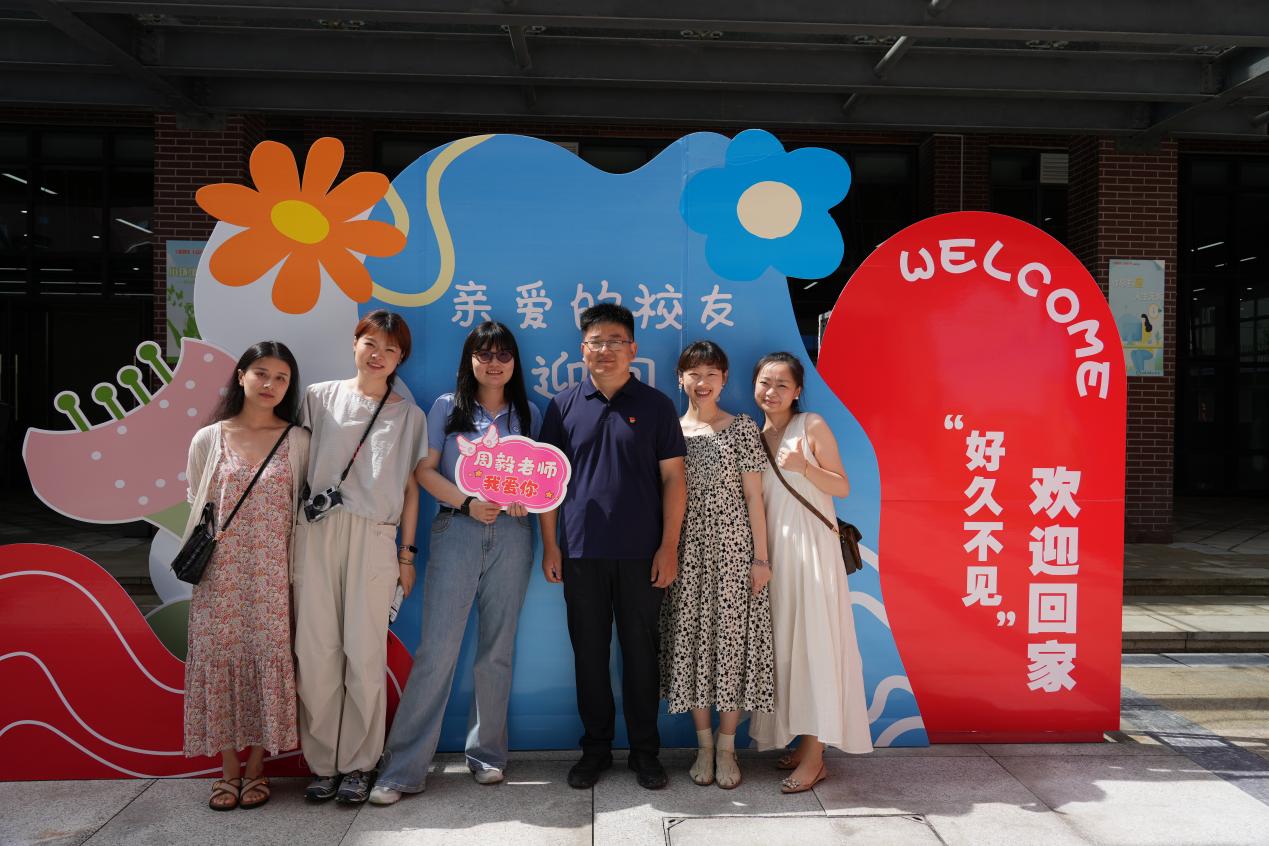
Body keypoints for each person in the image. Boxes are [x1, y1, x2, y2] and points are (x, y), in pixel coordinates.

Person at [369, 321, 542, 805]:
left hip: (513, 535)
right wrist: (466, 502)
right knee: (438, 650)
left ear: (514, 362)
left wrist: (525, 499)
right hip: (456, 530)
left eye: (503, 354)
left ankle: (487, 755)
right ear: (470, 360)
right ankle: (402, 769)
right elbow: (424, 471)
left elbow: (543, 479)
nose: (494, 363)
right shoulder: (447, 407)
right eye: (484, 354)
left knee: (498, 649)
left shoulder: (530, 413)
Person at [539, 303, 687, 791]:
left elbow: (674, 479)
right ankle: (595, 750)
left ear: (633, 349)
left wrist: (668, 547)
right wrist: (551, 546)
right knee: (589, 655)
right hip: (580, 553)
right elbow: (547, 485)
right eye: (596, 342)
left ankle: (645, 753)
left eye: (616, 341)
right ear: (582, 349)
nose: (606, 350)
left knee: (642, 657)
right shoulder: (562, 406)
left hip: (643, 555)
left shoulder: (657, 405)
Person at [293, 309, 427, 805]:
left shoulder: (409, 416)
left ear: (400, 358)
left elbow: (411, 489)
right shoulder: (319, 398)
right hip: (316, 532)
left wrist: (406, 555)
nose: (378, 355)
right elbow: (295, 469)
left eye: (390, 349)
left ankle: (359, 764)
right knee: (315, 650)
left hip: (375, 535)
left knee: (365, 652)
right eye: (371, 343)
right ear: (355, 344)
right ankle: (323, 763)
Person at [182, 341, 310, 811]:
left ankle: (257, 767)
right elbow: (197, 501)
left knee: (268, 661)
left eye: (281, 377)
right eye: (261, 373)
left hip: (273, 575)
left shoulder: (298, 440)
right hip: (219, 577)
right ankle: (228, 770)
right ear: (241, 376)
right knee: (220, 662)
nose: (270, 384)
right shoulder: (209, 438)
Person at [748, 351, 872, 794]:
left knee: (816, 646)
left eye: (782, 384)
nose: (772, 391)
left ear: (798, 390)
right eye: (765, 382)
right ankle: (804, 743)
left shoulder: (811, 425)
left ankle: (817, 757)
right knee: (787, 649)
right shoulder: (754, 435)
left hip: (813, 551)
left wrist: (805, 467)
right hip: (775, 556)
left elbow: (842, 486)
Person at [660, 340, 773, 790]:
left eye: (711, 373)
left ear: (724, 380)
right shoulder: (670, 430)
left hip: (733, 553)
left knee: (731, 647)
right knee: (691, 646)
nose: (702, 382)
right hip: (686, 553)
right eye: (694, 373)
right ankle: (703, 747)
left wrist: (760, 558)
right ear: (680, 379)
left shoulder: (742, 427)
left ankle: (728, 748)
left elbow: (754, 498)